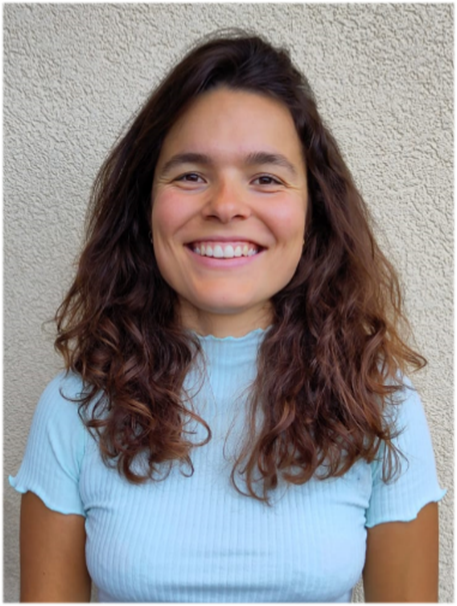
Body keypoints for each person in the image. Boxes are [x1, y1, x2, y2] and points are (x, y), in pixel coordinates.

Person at [9, 29, 446, 606]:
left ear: (312, 210)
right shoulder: (73, 409)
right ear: (146, 206)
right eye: (191, 174)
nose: (225, 205)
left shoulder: (380, 407)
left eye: (266, 178)